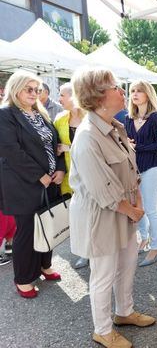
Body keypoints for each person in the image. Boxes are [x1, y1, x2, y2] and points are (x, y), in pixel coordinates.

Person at [69, 67, 156, 348]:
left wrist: (137, 203)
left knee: (127, 266)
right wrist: (133, 210)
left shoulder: (114, 126)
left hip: (126, 211)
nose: (122, 92)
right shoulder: (87, 136)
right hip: (103, 216)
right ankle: (103, 330)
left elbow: (131, 172)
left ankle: (124, 312)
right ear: (98, 97)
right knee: (103, 275)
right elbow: (102, 190)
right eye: (116, 87)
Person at [0, 70, 65, 298]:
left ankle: (44, 266)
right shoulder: (6, 114)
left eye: (37, 90)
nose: (34, 93)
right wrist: (40, 175)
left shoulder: (41, 113)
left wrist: (59, 168)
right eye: (29, 89)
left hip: (50, 181)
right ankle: (24, 278)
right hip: (24, 183)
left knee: (47, 225)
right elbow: (10, 150)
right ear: (15, 88)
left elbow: (55, 145)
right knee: (27, 231)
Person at [125, 80, 157, 267]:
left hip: (152, 168)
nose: (135, 94)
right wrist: (127, 145)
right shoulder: (128, 118)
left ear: (148, 94)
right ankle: (144, 238)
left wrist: (137, 146)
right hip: (133, 170)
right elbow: (125, 143)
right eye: (132, 91)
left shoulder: (156, 117)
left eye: (139, 91)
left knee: (150, 209)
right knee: (136, 207)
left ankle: (156, 247)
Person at [54, 82, 88, 269]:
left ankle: (95, 250)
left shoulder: (90, 117)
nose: (59, 98)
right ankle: (84, 253)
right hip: (69, 177)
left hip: (89, 176)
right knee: (76, 217)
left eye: (62, 95)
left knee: (91, 215)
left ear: (74, 95)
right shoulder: (59, 119)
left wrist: (69, 148)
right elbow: (54, 147)